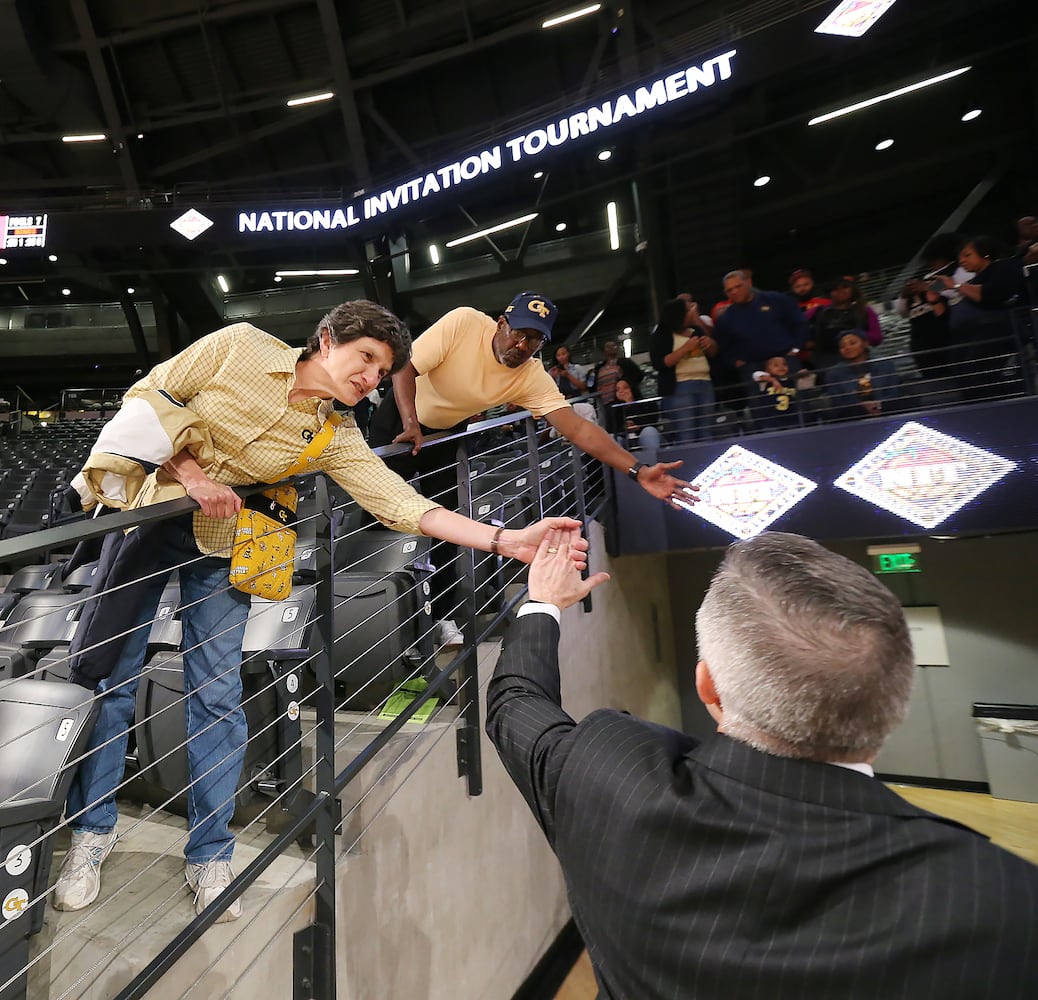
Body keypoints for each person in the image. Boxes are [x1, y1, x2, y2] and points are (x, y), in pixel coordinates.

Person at [53, 302, 589, 924]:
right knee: (113, 678)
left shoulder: (338, 433)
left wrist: (506, 539)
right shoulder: (240, 345)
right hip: (151, 515)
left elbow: (401, 504)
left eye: (383, 370)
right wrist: (193, 472)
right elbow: (152, 394)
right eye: (365, 358)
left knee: (218, 692)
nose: (370, 378)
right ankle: (92, 835)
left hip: (229, 544)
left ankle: (210, 853)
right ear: (328, 339)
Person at [487, 530, 1038, 1000]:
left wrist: (544, 602)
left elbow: (515, 704)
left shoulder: (607, 776)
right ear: (895, 706)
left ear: (707, 687)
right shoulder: (1005, 907)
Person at [713, 269, 809, 376]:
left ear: (749, 283)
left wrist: (796, 349)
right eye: (729, 290)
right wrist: (735, 362)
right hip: (753, 368)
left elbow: (800, 323)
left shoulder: (776, 300)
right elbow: (722, 346)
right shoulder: (726, 318)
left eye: (738, 286)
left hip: (786, 360)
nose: (734, 292)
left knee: (795, 392)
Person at [649, 295, 717, 443]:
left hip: (705, 383)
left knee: (707, 430)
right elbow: (660, 363)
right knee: (686, 432)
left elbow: (714, 353)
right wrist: (686, 348)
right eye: (687, 311)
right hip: (680, 387)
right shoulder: (661, 335)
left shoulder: (697, 330)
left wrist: (710, 343)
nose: (691, 313)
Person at [809, 276, 883, 370]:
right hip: (826, 361)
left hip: (858, 359)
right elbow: (798, 325)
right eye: (836, 289)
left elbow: (877, 337)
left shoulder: (864, 311)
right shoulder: (818, 311)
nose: (841, 291)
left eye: (845, 287)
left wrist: (856, 336)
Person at [824, 331, 899, 419]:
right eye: (842, 346)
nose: (847, 347)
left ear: (865, 344)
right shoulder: (834, 373)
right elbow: (838, 403)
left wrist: (879, 405)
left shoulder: (885, 365)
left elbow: (894, 393)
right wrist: (861, 407)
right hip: (853, 419)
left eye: (852, 343)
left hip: (889, 414)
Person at [610, 378, 660, 460]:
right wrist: (624, 428)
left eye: (625, 388)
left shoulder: (647, 403)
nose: (622, 392)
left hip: (643, 435)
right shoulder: (613, 408)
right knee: (612, 438)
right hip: (624, 439)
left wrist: (630, 403)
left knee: (649, 431)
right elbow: (612, 428)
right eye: (617, 390)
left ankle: (653, 465)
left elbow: (651, 422)